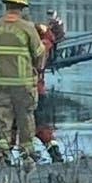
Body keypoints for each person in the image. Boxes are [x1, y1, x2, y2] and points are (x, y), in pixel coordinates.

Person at [0, 0, 46, 166]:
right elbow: (39, 54)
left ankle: (1, 153)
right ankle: (27, 155)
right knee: (26, 119)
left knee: (1, 118)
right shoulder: (28, 28)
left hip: (0, 84)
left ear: (6, 6)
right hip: (24, 85)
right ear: (22, 7)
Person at [11, 23, 64, 162]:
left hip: (21, 92)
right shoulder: (46, 45)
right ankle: (55, 155)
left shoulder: (27, 48)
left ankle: (5, 157)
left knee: (14, 127)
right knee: (43, 128)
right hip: (37, 92)